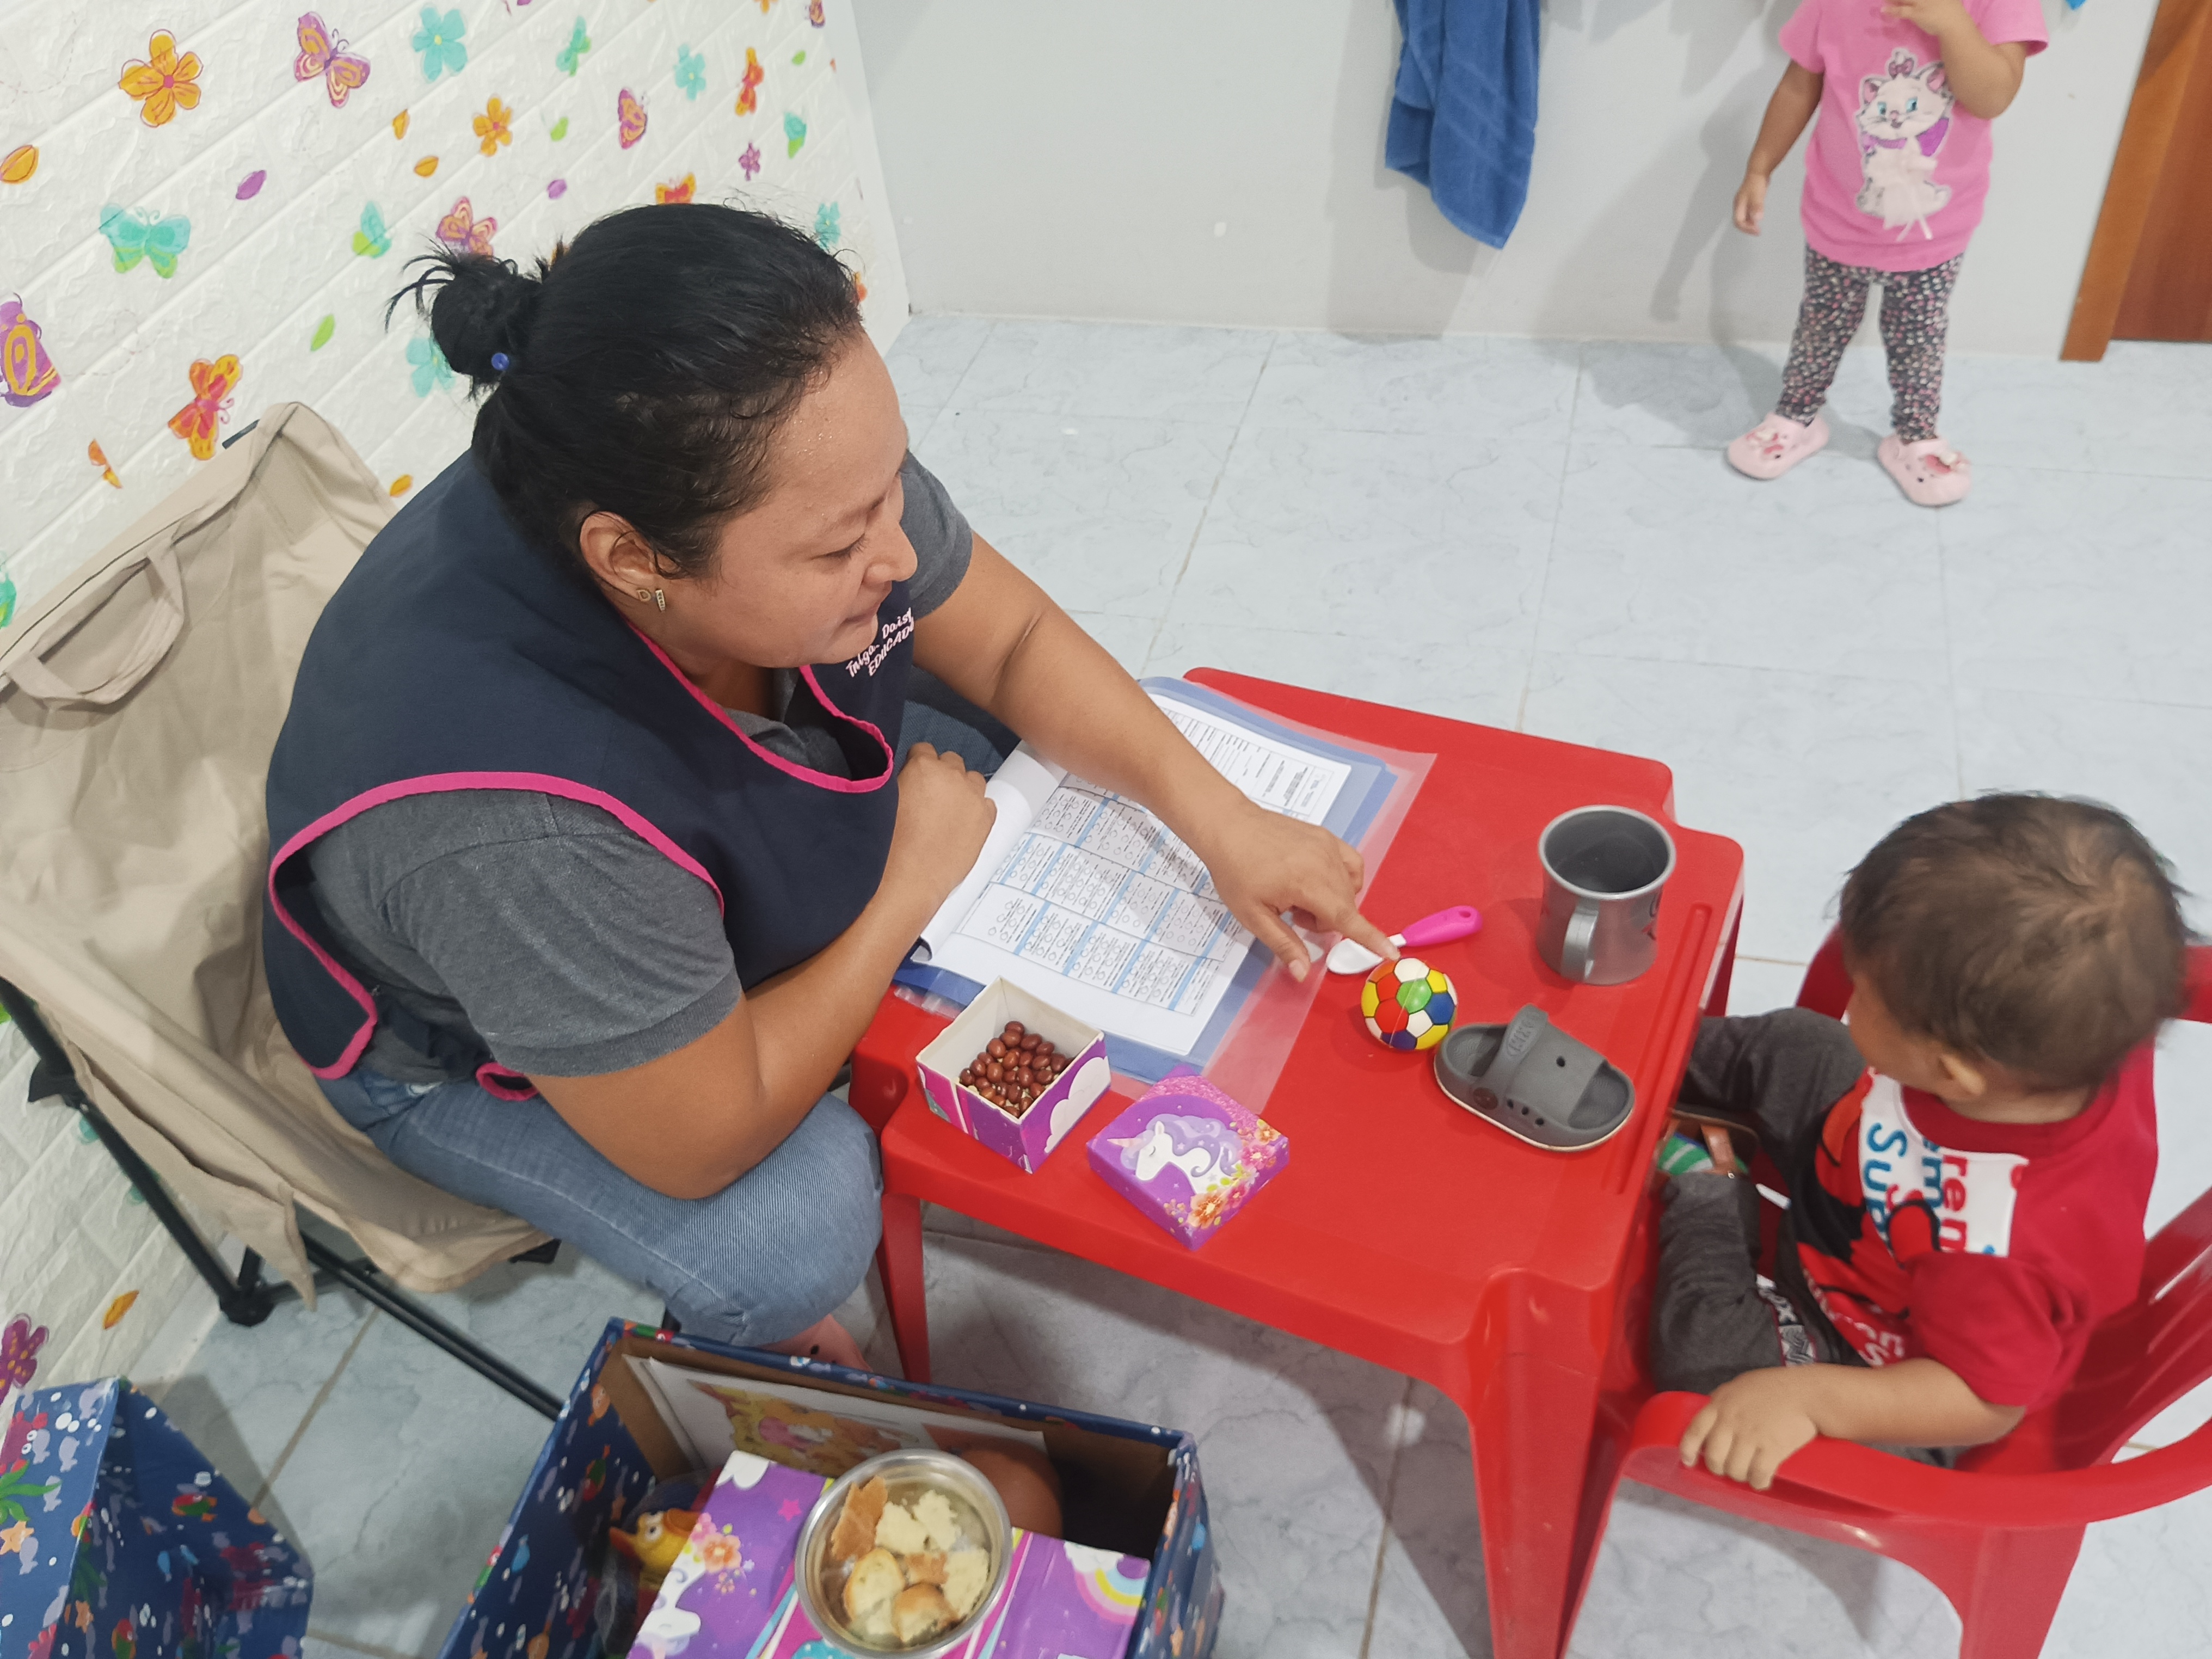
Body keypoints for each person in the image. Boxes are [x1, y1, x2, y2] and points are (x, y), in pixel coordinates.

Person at [261, 204, 1393, 1366]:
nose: (897, 556)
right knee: (791, 1229)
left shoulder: (792, 451)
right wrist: (905, 885)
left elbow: (1010, 641)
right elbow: (701, 1140)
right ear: (635, 560)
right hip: (451, 1045)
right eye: (838, 547)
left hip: (622, 853)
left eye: (890, 488)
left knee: (1016, 752)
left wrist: (1222, 818)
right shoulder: (515, 826)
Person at [1650, 795, 2186, 1489]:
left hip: (1872, 1358)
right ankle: (1649, 1045)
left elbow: (1984, 1404)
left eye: (1865, 994)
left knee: (1701, 1359)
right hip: (1863, 1188)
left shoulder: (1994, 1253)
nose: (1851, 997)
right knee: (1802, 1043)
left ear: (1952, 1074)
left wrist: (1809, 1400)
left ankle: (1710, 1191)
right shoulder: (2077, 1038)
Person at [1724, 0, 2047, 505]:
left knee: (1918, 335)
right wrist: (1760, 168)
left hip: (1933, 228)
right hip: (1839, 216)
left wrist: (1953, 24)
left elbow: (1992, 97)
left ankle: (1915, 436)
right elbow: (1799, 84)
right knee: (1822, 324)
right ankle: (1797, 415)